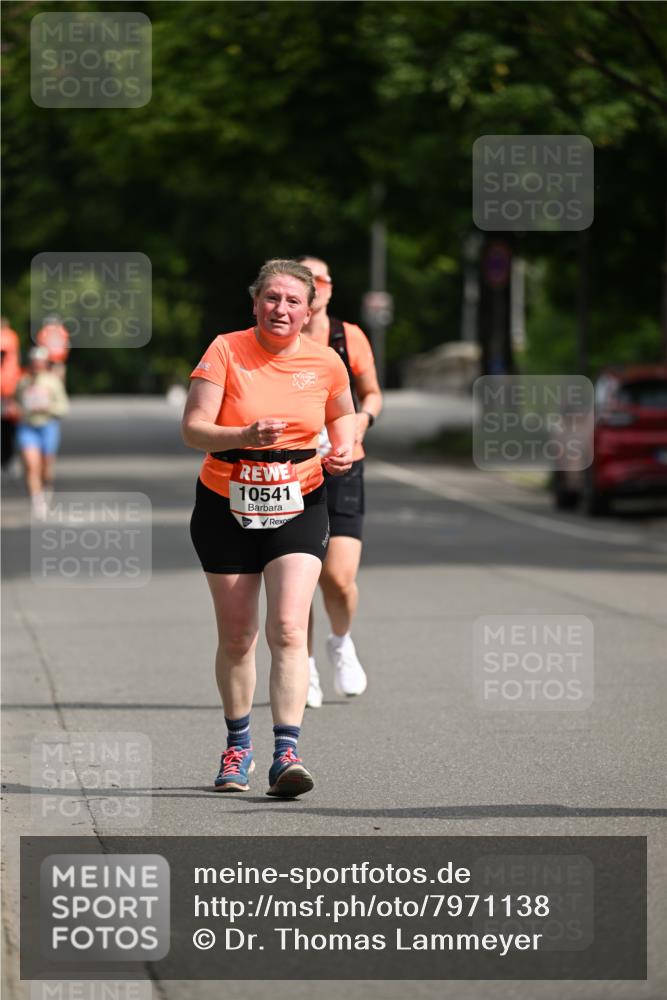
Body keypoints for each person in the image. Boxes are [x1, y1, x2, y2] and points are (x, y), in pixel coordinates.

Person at [182, 259, 355, 797]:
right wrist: (245, 434)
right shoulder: (226, 350)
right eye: (272, 298)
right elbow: (193, 429)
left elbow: (342, 413)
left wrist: (346, 444)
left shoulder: (326, 361)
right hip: (225, 503)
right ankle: (238, 747)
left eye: (293, 302)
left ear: (308, 312)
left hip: (300, 501)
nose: (282, 309)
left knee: (286, 628)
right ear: (255, 302)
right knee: (238, 636)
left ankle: (287, 754)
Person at [296, 256, 382, 707]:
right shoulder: (279, 338)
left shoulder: (348, 337)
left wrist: (364, 419)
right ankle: (303, 665)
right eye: (303, 279)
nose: (314, 287)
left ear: (328, 290)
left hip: (345, 465)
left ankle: (341, 642)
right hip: (292, 470)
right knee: (300, 576)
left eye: (321, 279)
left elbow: (371, 391)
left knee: (338, 578)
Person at [15, 345, 69, 517]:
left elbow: (63, 407)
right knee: (32, 466)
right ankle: (37, 502)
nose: (37, 364)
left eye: (40, 361)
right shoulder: (23, 381)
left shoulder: (53, 381)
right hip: (27, 426)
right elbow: (16, 403)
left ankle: (46, 487)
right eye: (34, 361)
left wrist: (47, 407)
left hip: (48, 426)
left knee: (46, 468)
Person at [1, 317, 22, 469]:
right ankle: (10, 457)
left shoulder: (6, 336)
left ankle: (7, 457)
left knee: (8, 423)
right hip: (11, 384)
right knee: (11, 423)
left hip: (6, 386)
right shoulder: (12, 336)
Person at [35, 315, 70, 381]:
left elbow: (40, 346)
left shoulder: (44, 331)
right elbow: (67, 346)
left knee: (46, 380)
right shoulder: (63, 331)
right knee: (59, 380)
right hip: (60, 360)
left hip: (47, 361)